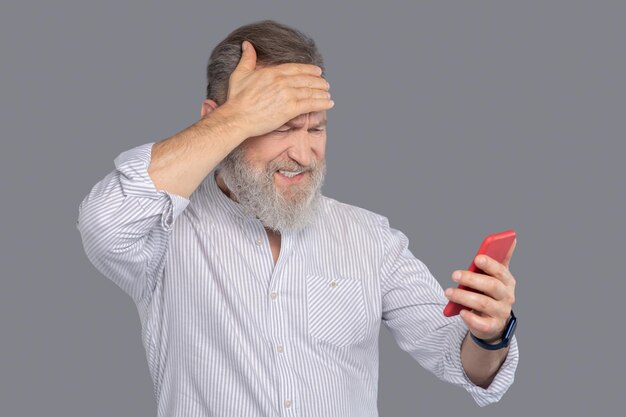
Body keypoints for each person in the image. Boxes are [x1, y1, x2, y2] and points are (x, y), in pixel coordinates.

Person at [76, 19, 519, 417]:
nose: (303, 154)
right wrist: (237, 118)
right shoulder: (163, 235)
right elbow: (104, 222)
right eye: (279, 126)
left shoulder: (370, 238)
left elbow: (456, 356)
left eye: (316, 128)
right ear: (220, 119)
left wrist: (489, 333)